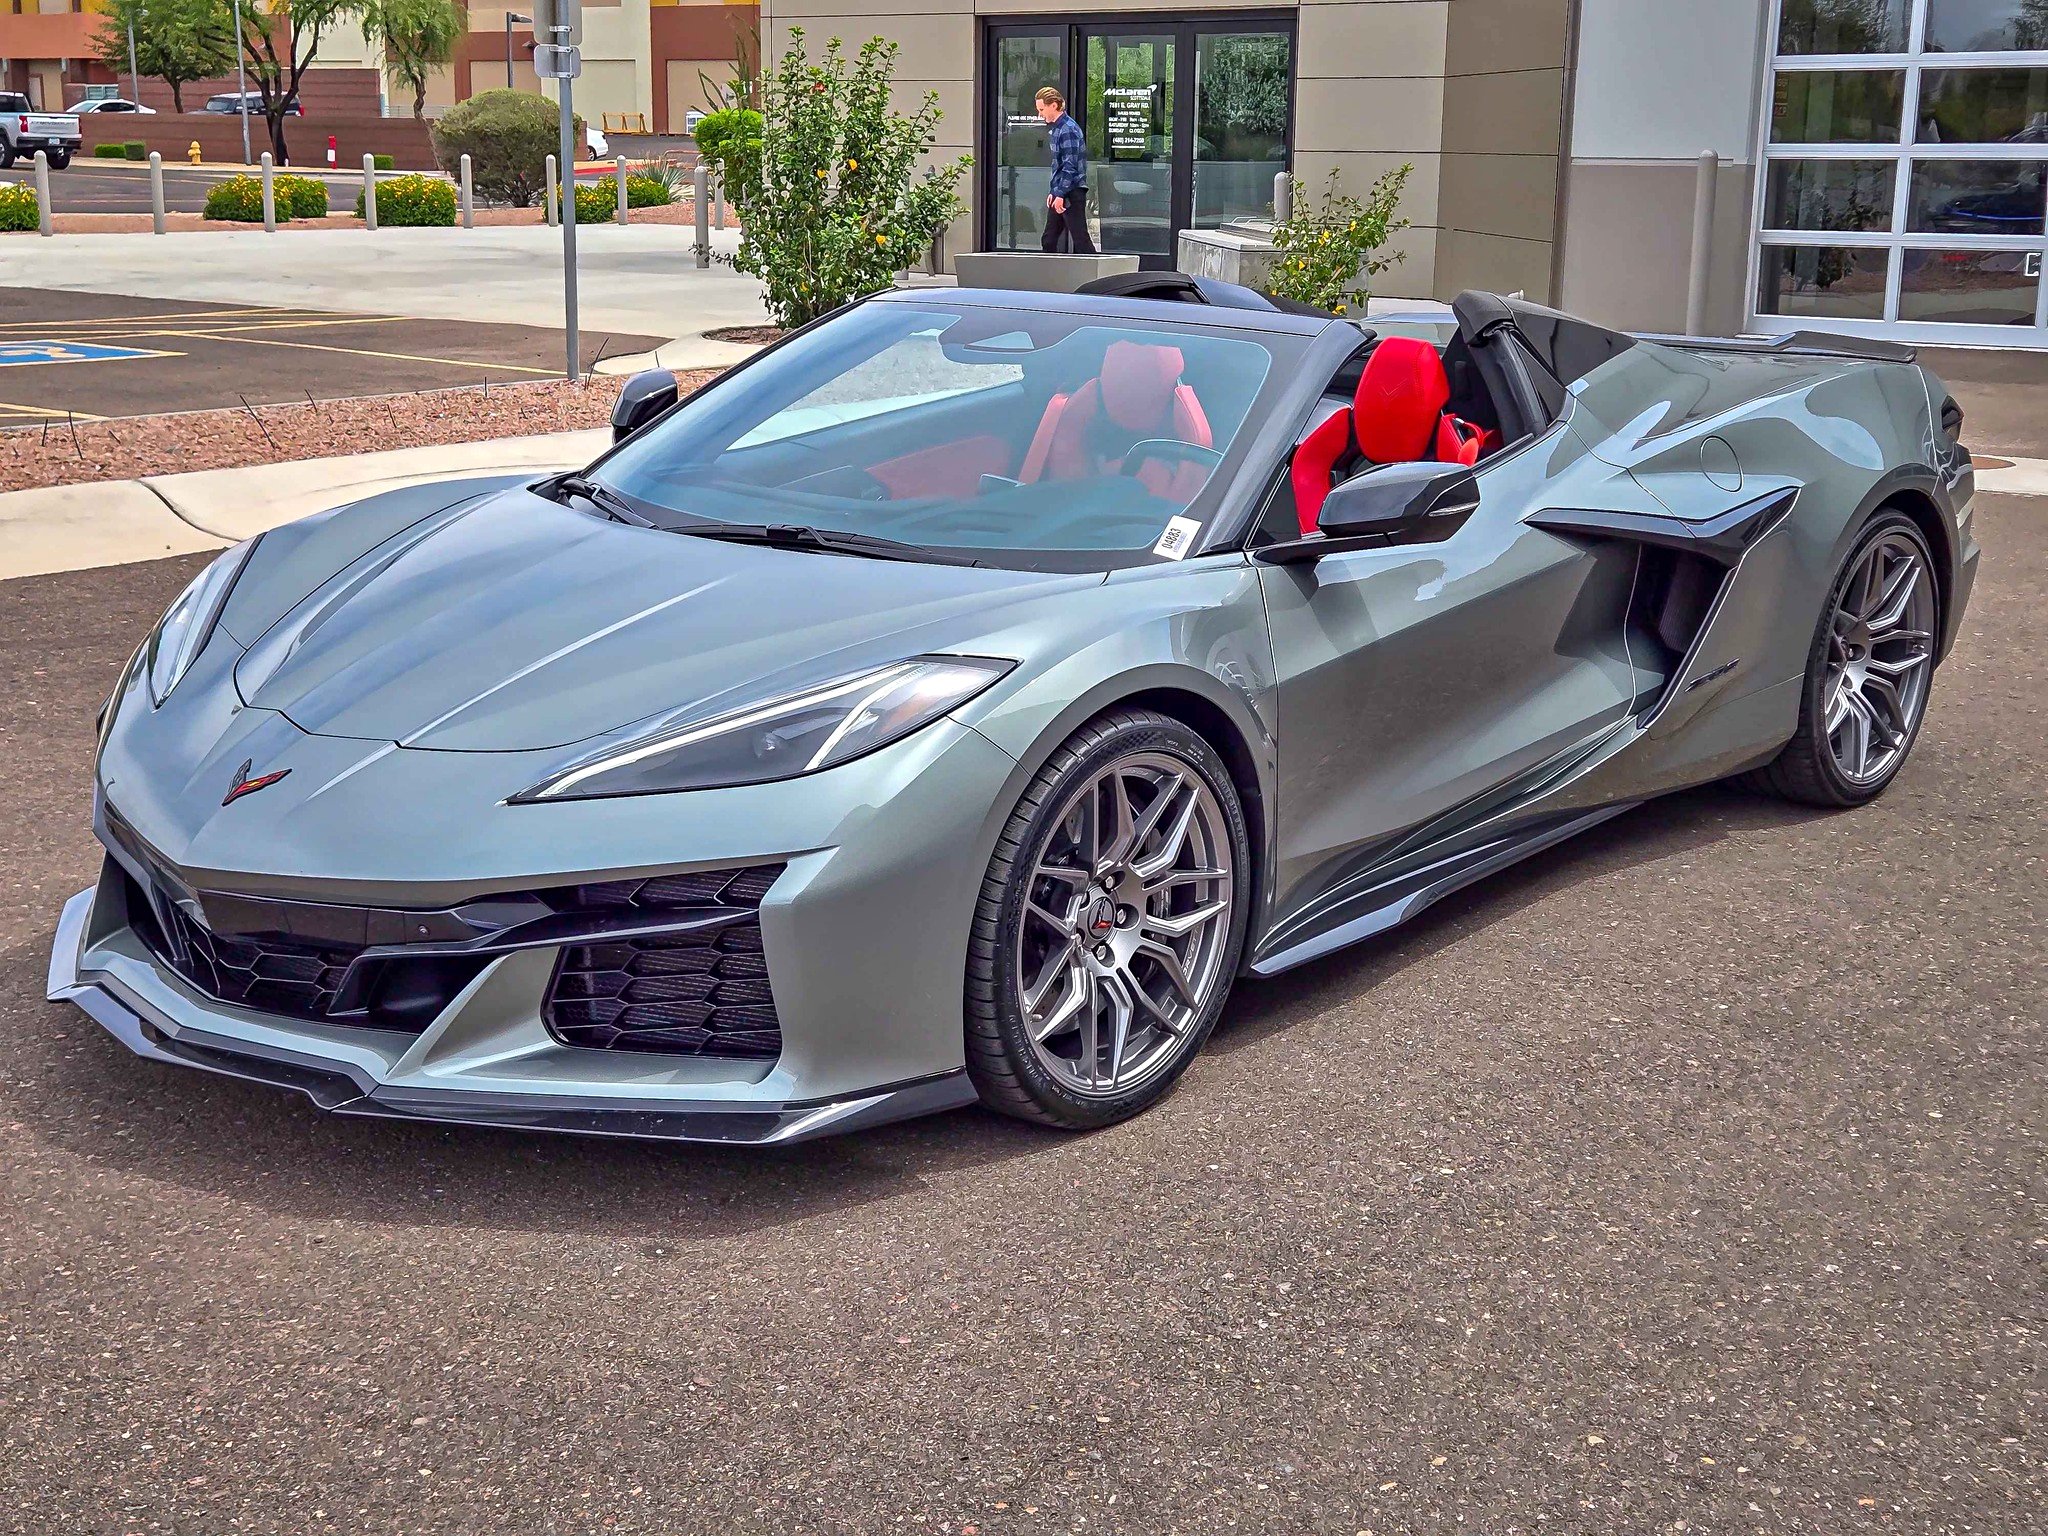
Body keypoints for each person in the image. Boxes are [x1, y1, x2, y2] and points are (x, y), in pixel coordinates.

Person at [1035, 86, 1096, 255]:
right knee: (1049, 239)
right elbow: (1059, 165)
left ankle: (1099, 275)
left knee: (1080, 239)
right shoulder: (1057, 128)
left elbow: (1070, 165)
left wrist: (1060, 194)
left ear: (1053, 105)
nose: (1040, 114)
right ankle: (1051, 275)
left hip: (1071, 191)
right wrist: (1054, 192)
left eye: (1041, 109)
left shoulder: (1068, 129)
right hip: (1063, 191)